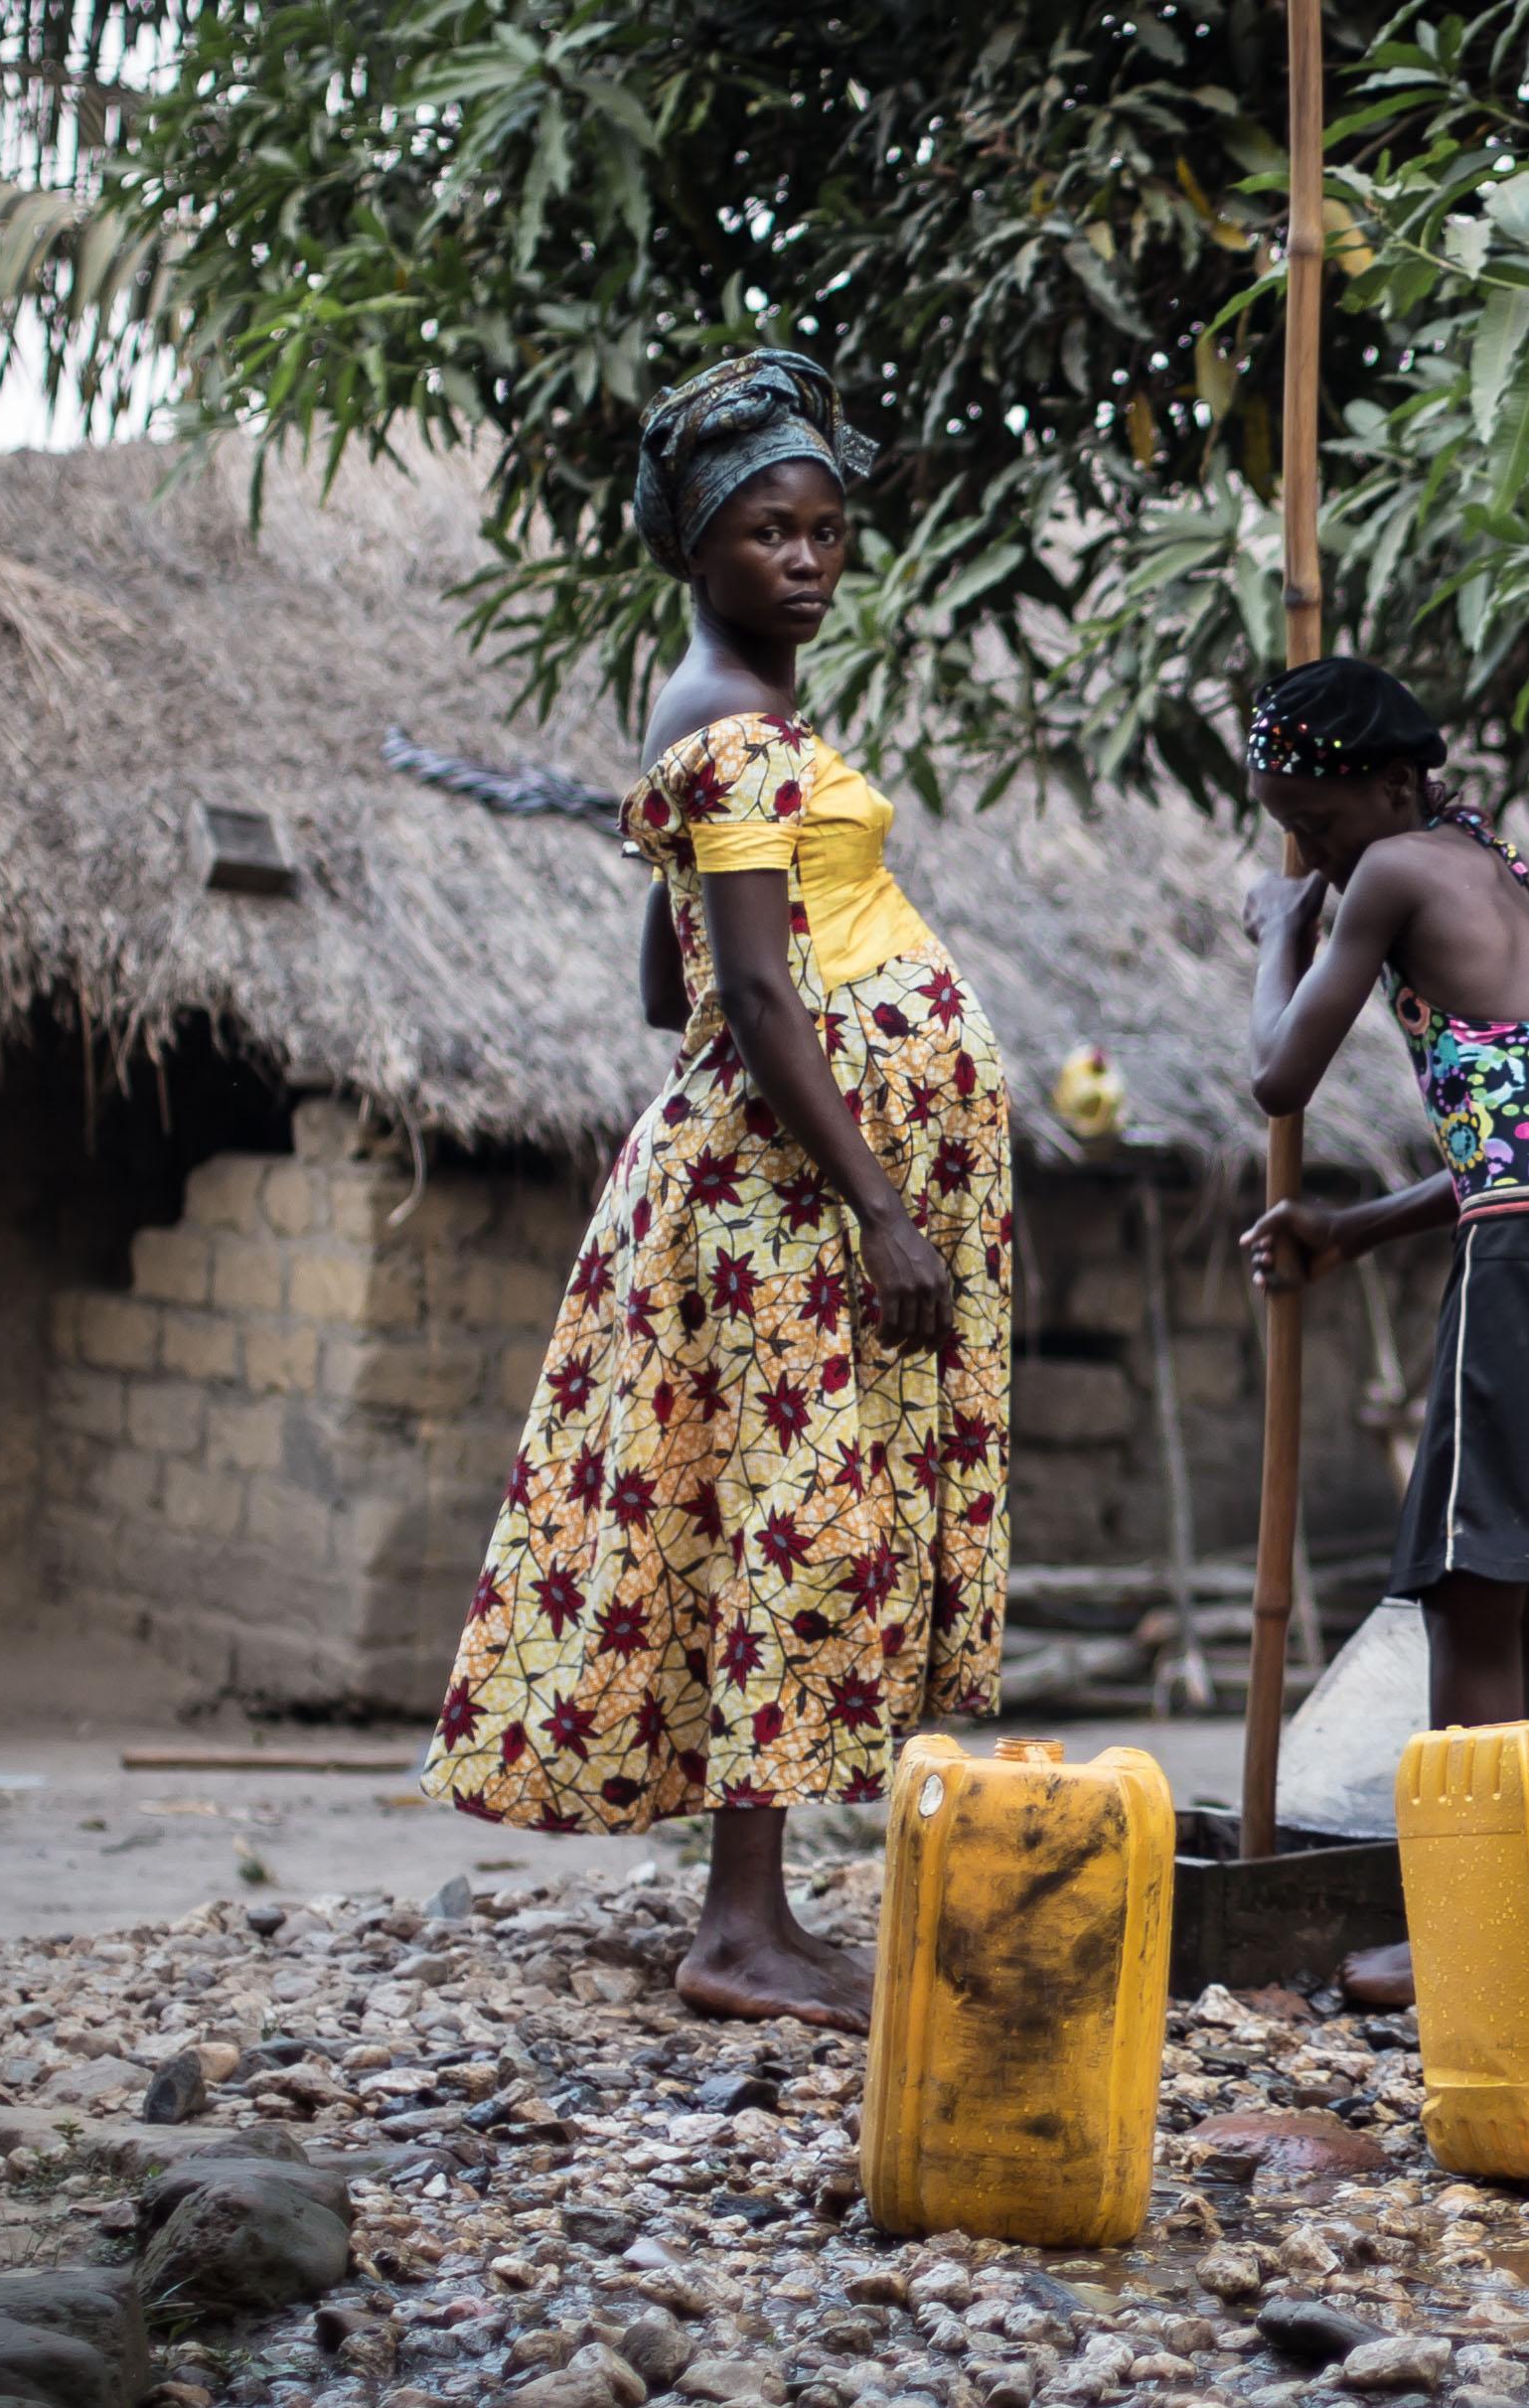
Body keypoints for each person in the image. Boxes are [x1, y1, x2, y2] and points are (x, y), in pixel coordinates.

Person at [425, 350, 1009, 2033]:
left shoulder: (728, 731)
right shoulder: (728, 723)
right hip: (793, 1202)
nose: (810, 560)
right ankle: (740, 1930)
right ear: (696, 548)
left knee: (789, 1513)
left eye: (828, 529)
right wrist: (881, 1203)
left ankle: (753, 1908)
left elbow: (662, 974)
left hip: (793, 1187)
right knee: (792, 1515)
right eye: (770, 532)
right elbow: (749, 998)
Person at [1234, 657, 1529, 1745]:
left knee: (1467, 1584)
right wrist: (1350, 1228)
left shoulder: (1394, 868)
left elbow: (1276, 1074)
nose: (1313, 855)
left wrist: (1279, 935)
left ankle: (1483, 1896)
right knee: (1524, 1582)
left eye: (1316, 822)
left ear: (1395, 785)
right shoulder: (1515, 871)